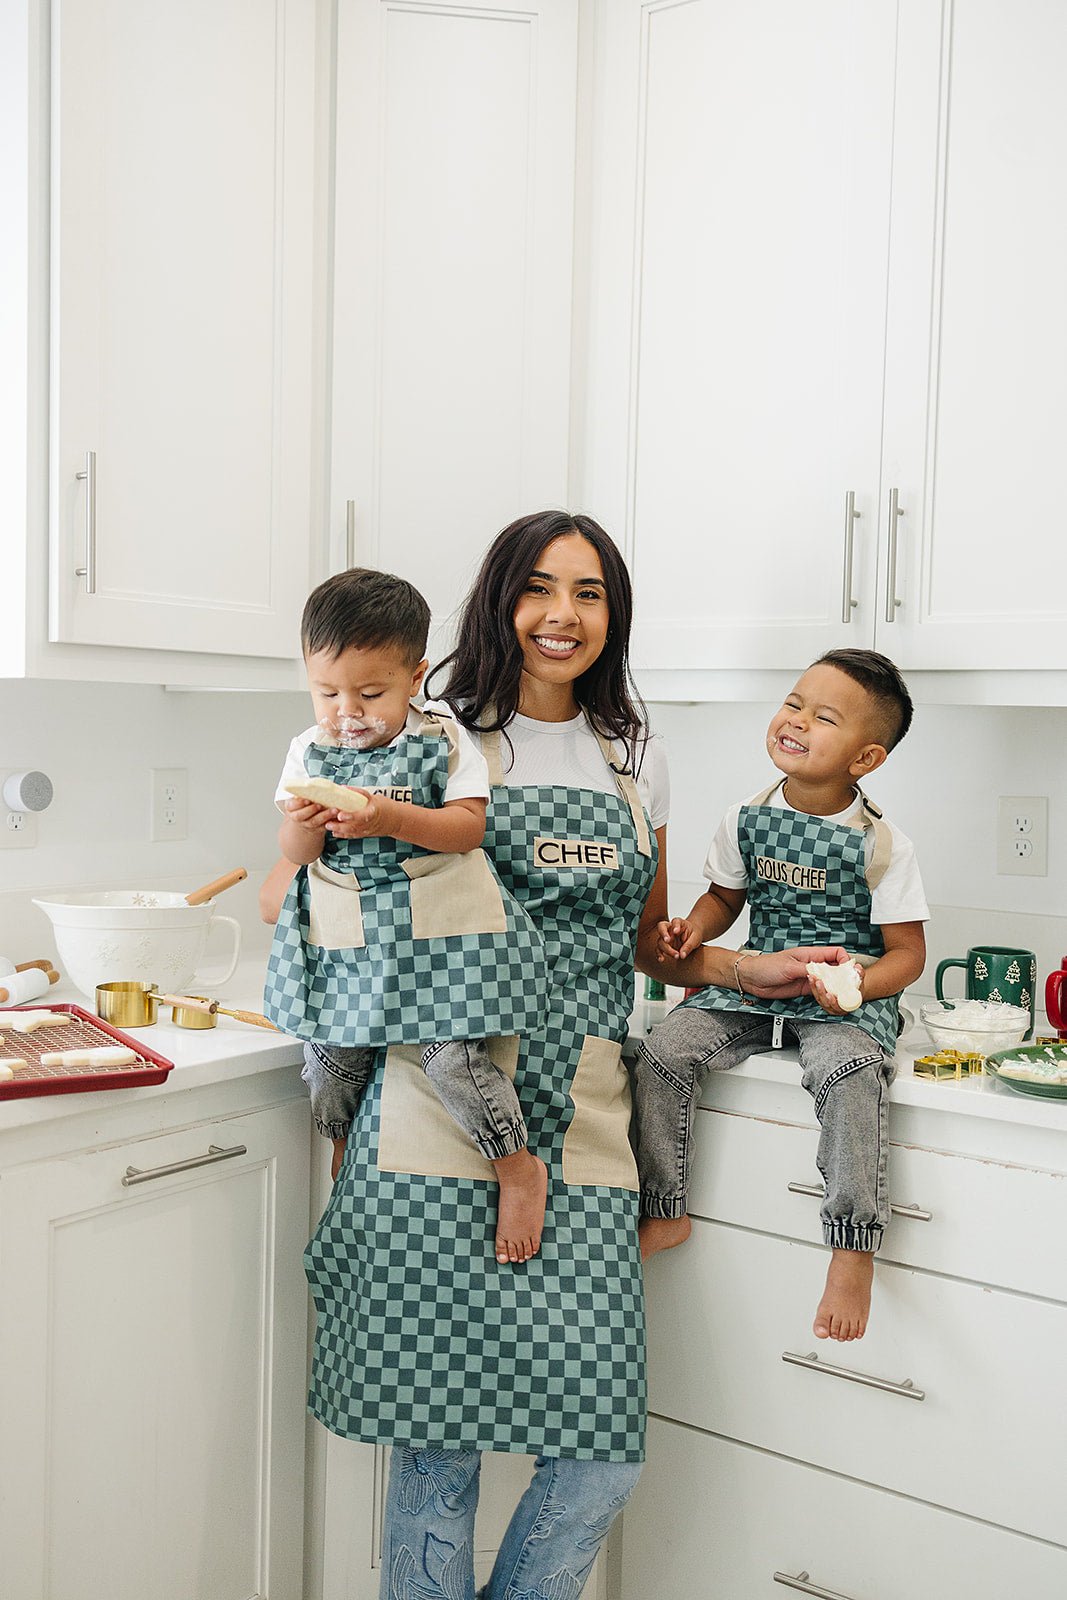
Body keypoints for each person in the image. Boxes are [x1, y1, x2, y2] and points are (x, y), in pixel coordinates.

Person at [300, 511, 852, 1599]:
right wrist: (340, 1114)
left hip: (587, 1110)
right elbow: (342, 917)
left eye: (589, 592)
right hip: (438, 1101)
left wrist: (755, 967)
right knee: (434, 1445)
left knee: (600, 1453)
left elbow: (650, 944)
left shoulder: (630, 750)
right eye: (539, 588)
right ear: (499, 600)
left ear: (612, 611)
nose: (563, 615)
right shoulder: (435, 733)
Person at [634, 648, 928, 1344]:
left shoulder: (882, 847)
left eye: (822, 717)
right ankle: (664, 1207)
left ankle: (851, 1246)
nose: (795, 721)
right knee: (661, 1052)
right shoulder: (745, 818)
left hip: (840, 998)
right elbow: (722, 898)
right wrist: (689, 930)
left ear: (865, 758)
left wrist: (855, 986)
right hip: (757, 985)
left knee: (847, 1073)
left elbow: (908, 956)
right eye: (794, 703)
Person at [262, 567, 551, 1264]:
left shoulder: (446, 740)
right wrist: (304, 821)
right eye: (326, 691)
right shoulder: (309, 749)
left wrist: (382, 814)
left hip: (442, 934)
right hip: (353, 939)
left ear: (414, 676)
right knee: (330, 1058)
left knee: (452, 1059)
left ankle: (517, 1166)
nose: (345, 711)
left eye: (369, 693)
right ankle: (342, 1146)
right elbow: (296, 852)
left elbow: (466, 830)